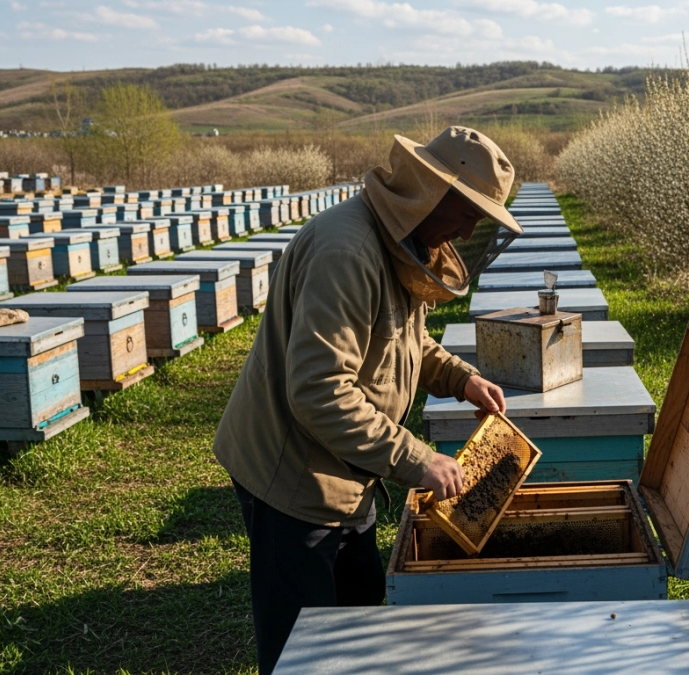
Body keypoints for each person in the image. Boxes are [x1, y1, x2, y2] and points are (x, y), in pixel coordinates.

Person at [213, 126, 524, 674]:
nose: (469, 230)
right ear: (432, 190)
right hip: (293, 478)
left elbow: (403, 339)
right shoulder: (348, 252)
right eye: (469, 213)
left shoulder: (402, 242)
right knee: (305, 651)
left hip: (348, 470)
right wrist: (418, 459)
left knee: (359, 619)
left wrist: (460, 378)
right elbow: (319, 391)